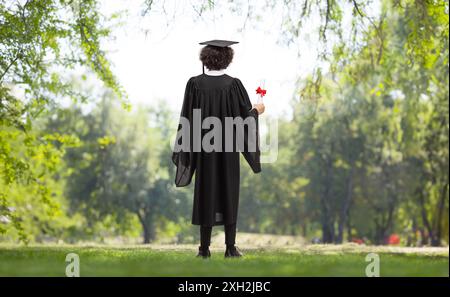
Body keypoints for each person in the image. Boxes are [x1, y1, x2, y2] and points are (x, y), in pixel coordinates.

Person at [172, 40, 265, 258]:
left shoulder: (194, 84)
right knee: (229, 192)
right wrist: (257, 111)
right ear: (227, 59)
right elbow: (244, 118)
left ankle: (203, 250)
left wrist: (189, 150)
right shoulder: (234, 85)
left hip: (204, 150)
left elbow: (187, 117)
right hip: (228, 151)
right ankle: (230, 248)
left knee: (206, 193)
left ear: (205, 59)